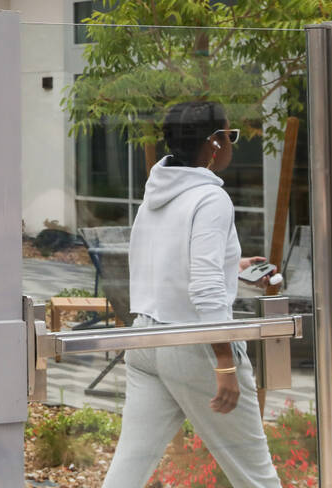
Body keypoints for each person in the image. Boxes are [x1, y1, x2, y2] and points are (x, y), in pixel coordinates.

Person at [101, 100, 280, 488]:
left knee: (127, 471)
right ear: (213, 143)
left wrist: (236, 265)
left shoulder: (155, 194)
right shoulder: (211, 198)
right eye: (230, 136)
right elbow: (205, 288)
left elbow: (169, 263)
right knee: (256, 476)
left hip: (146, 340)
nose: (233, 144)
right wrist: (225, 363)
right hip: (194, 344)